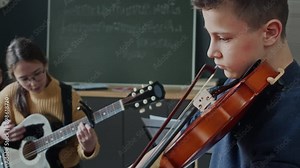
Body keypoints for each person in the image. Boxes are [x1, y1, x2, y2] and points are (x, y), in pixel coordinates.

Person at [133, 0, 300, 167]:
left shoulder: (292, 111)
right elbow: (171, 150)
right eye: (210, 36)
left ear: (270, 33)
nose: (210, 51)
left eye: (223, 38)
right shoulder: (235, 87)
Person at [0, 37, 100, 168]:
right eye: (24, 79)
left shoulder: (69, 97)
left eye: (37, 73)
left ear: (45, 65)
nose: (33, 83)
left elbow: (82, 148)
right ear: (14, 77)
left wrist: (88, 147)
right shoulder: (9, 95)